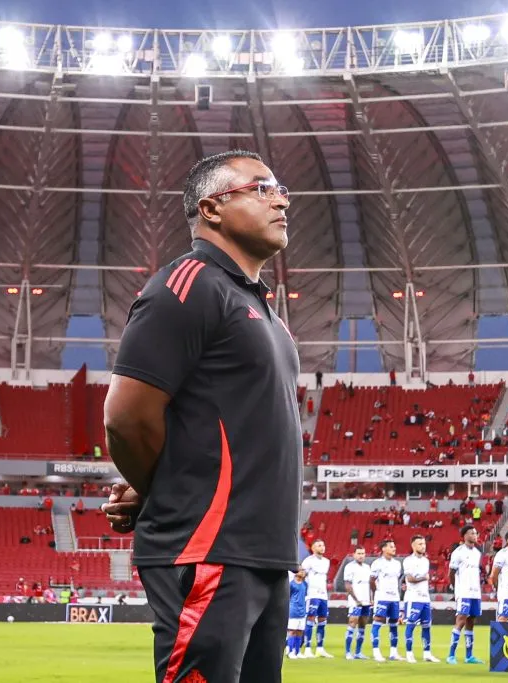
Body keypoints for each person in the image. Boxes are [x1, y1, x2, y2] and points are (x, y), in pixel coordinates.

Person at [100, 150, 299, 683]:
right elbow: (125, 417)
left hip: (264, 554)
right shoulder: (187, 285)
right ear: (212, 208)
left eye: (281, 190)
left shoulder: (266, 314)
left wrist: (154, 489)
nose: (280, 198)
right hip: (208, 547)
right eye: (261, 188)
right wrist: (166, 490)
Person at [448, 526, 485, 665]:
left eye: (476, 532)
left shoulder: (477, 552)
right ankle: (451, 655)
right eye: (471, 533)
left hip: (475, 592)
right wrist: (456, 590)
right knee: (461, 620)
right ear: (464, 536)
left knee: (471, 622)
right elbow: (451, 573)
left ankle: (469, 656)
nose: (475, 535)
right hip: (463, 592)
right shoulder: (458, 552)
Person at [402, 535, 440, 663]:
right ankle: (409, 653)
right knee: (411, 625)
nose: (423, 546)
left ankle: (427, 653)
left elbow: (417, 577)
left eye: (424, 544)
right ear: (413, 546)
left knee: (426, 626)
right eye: (420, 544)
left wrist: (422, 578)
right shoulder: (408, 560)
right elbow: (410, 579)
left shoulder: (426, 561)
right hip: (413, 598)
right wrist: (424, 578)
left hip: (425, 599)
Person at [369, 540, 403, 662]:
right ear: (383, 548)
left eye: (394, 546)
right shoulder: (377, 563)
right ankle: (376, 652)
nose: (394, 548)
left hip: (394, 598)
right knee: (378, 621)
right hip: (382, 597)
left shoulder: (397, 564)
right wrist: (376, 594)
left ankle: (393, 652)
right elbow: (372, 581)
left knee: (394, 623)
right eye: (391, 546)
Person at [300, 539, 332, 658]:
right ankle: (307, 648)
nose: (322, 547)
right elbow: (302, 577)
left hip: (323, 595)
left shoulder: (326, 562)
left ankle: (320, 648)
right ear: (313, 548)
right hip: (312, 594)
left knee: (323, 620)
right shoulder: (308, 561)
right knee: (310, 620)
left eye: (323, 545)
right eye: (319, 545)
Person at [343, 547, 371, 660]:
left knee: (363, 625)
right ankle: (348, 652)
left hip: (366, 600)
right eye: (359, 553)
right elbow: (348, 585)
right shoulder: (349, 567)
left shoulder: (367, 567)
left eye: (363, 553)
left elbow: (370, 584)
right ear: (354, 554)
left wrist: (371, 598)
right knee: (352, 622)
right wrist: (356, 599)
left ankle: (358, 652)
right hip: (355, 601)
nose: (361, 555)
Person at [285, 569, 308, 659]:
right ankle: (290, 651)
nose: (302, 572)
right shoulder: (291, 584)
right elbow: (288, 597)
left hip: (302, 610)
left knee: (300, 631)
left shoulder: (305, 584)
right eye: (300, 570)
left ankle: (297, 651)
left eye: (303, 570)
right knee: (292, 631)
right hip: (293, 610)